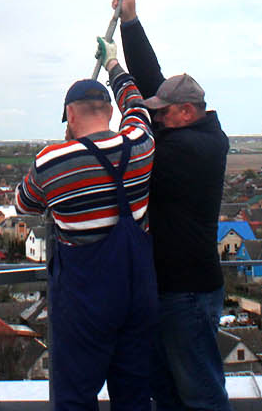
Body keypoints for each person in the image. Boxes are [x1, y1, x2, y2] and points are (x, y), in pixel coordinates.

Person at [15, 37, 157, 410]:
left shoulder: (52, 161)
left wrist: (64, 146)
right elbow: (137, 106)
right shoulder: (141, 145)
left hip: (84, 304)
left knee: (75, 397)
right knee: (134, 395)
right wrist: (113, 64)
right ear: (109, 113)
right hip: (137, 296)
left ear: (71, 116)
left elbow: (23, 203)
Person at [111, 0, 233, 411]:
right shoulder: (190, 131)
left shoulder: (191, 149)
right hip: (170, 290)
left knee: (200, 393)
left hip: (188, 294)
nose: (157, 117)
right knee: (166, 392)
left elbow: (130, 149)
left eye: (163, 112)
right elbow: (153, 81)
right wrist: (130, 21)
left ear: (187, 112)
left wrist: (115, 77)